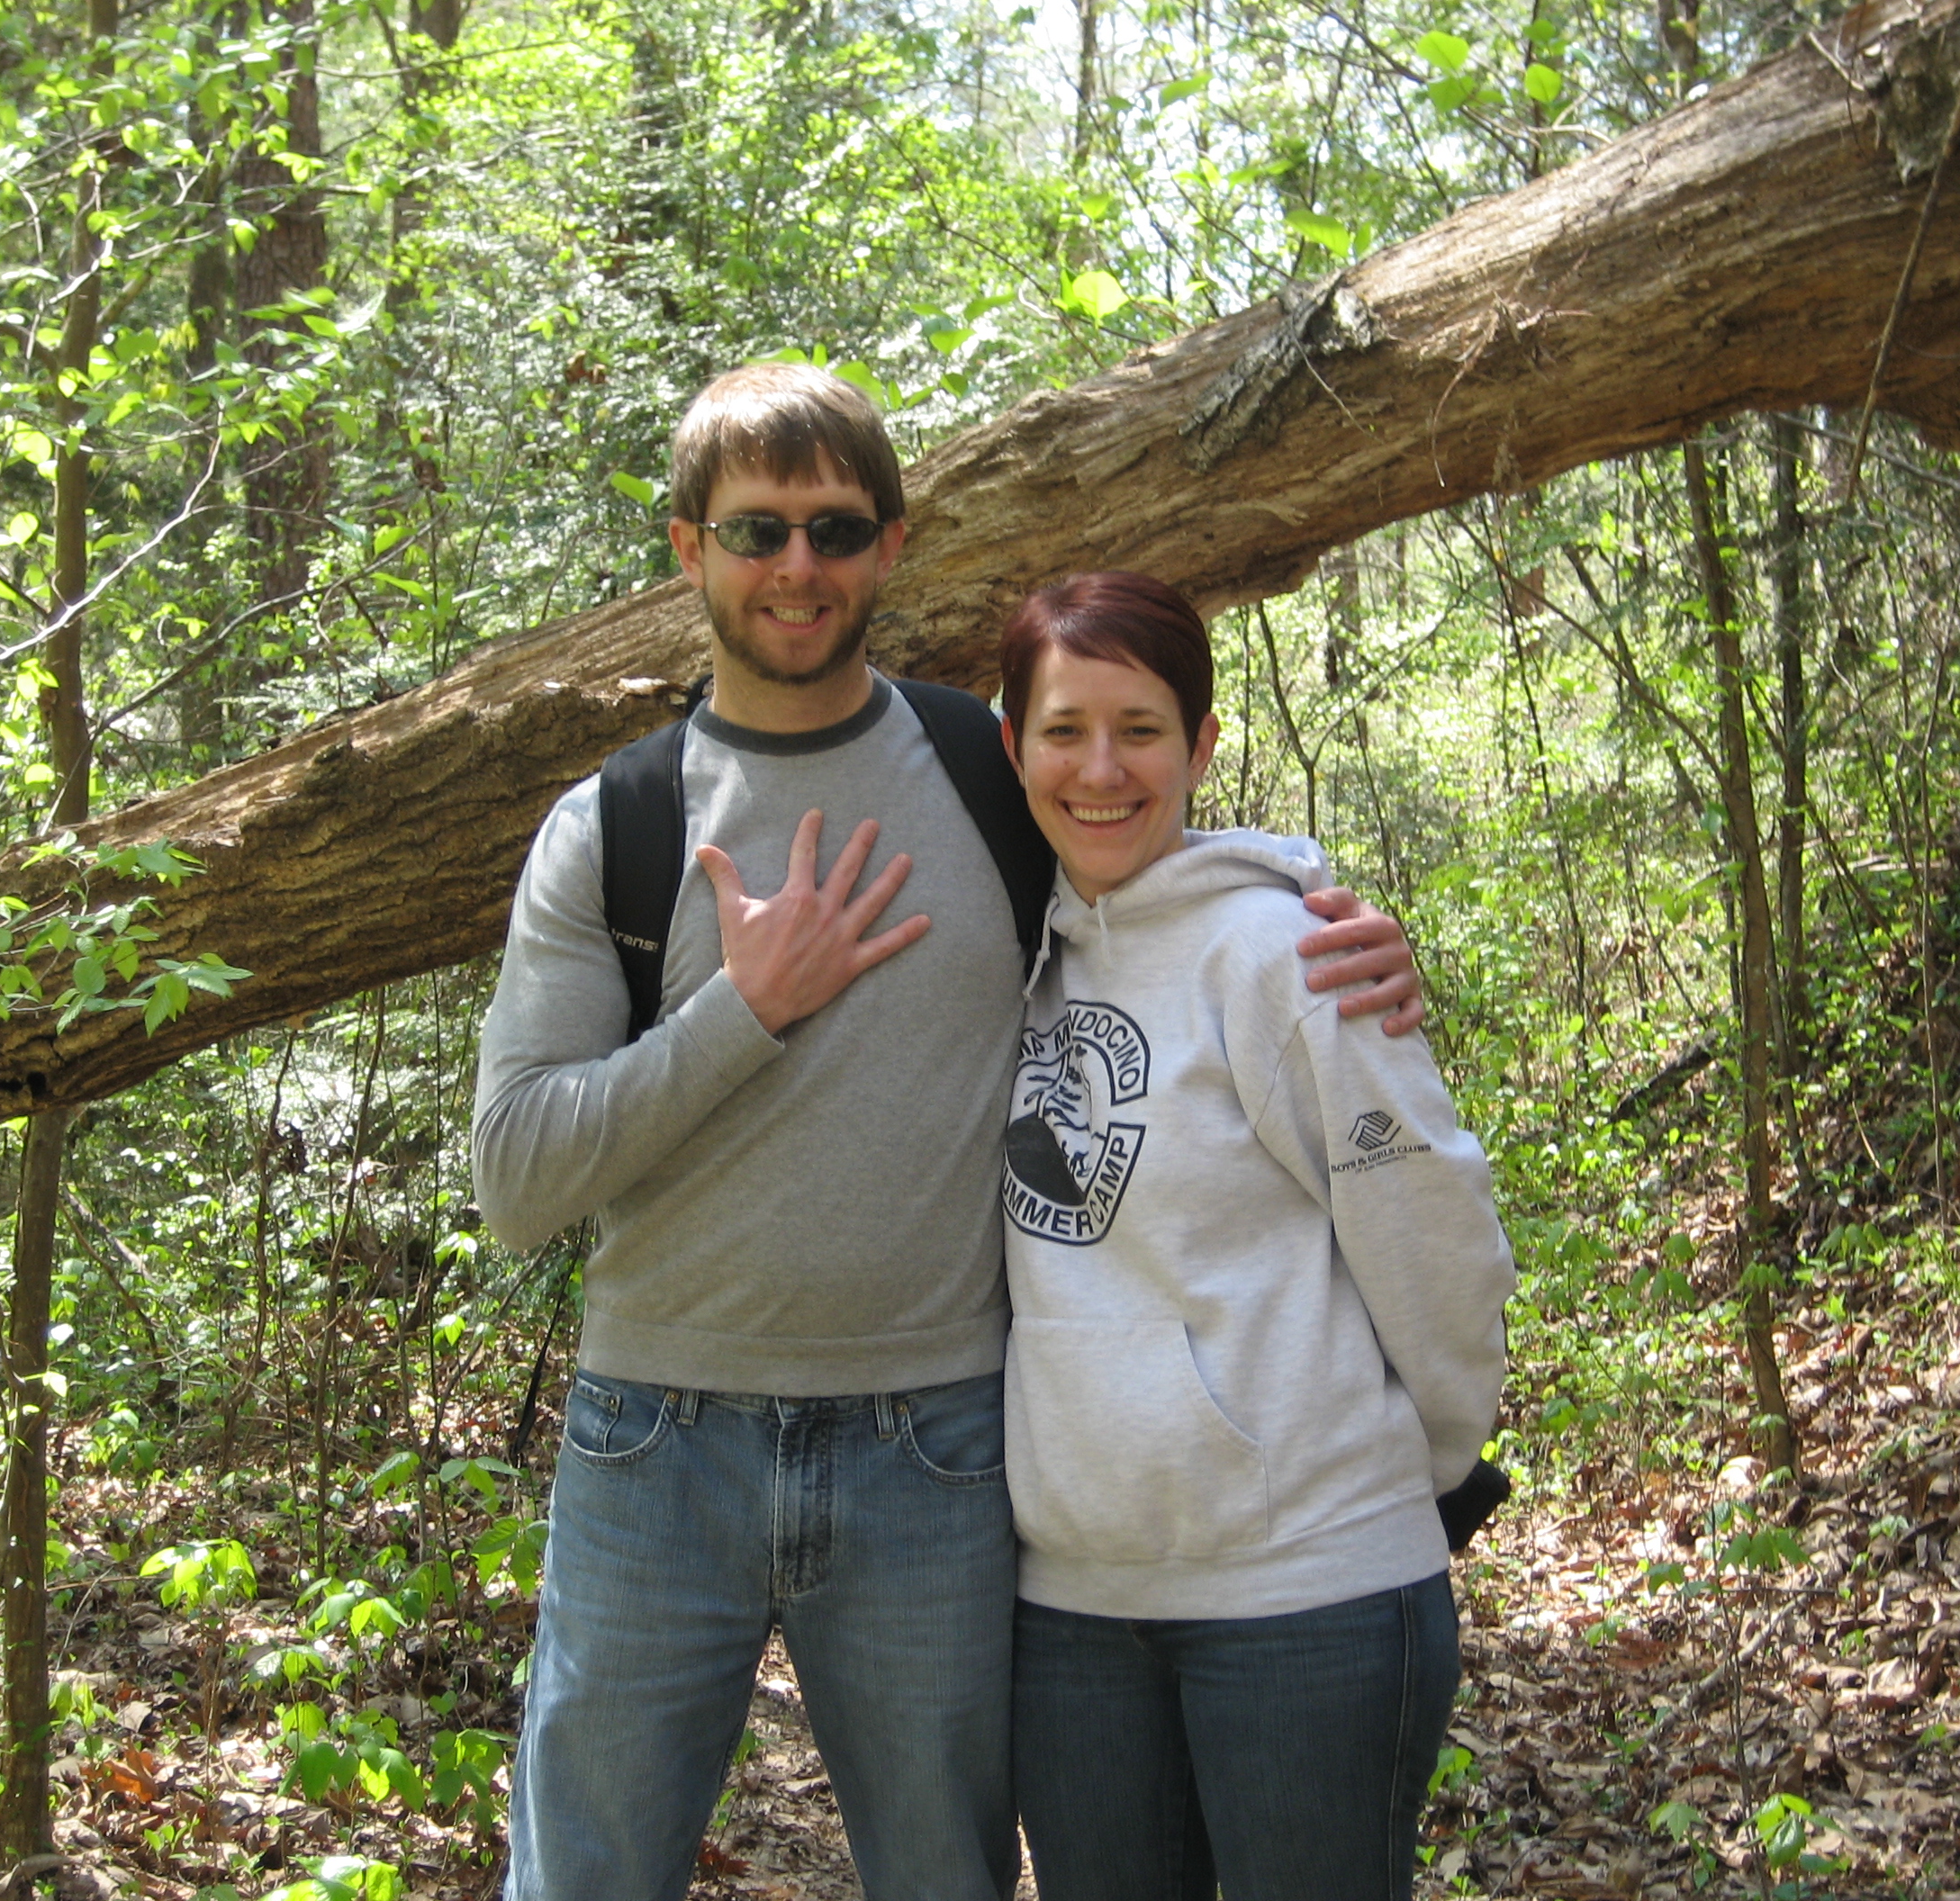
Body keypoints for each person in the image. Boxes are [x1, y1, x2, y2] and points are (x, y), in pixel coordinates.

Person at [471, 364, 1425, 1901]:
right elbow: (517, 1178)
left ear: (893, 546)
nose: (797, 567)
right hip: (656, 1443)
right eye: (757, 529)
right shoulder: (619, 825)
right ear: (689, 548)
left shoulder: (985, 773)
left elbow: (1149, 860)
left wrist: (1332, 918)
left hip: (937, 1449)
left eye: (836, 529)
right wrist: (742, 1011)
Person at [994, 571, 1515, 1901]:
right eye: (1063, 730)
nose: (1100, 770)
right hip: (1073, 1613)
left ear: (1203, 745)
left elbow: (1433, 1234)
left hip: (1308, 1596)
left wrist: (1405, 1473)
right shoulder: (1011, 962)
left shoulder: (1286, 957)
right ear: (1012, 747)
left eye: (1141, 729)